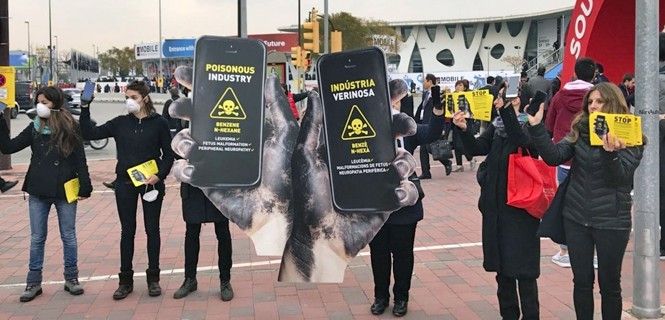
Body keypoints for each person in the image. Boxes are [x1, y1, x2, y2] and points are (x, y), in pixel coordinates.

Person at [528, 82, 643, 320]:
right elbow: (553, 156)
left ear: (613, 103)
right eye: (590, 102)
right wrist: (537, 126)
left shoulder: (630, 133)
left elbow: (621, 177)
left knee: (610, 284)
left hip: (612, 220)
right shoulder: (580, 129)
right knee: (581, 281)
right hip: (576, 216)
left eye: (600, 101)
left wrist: (609, 152)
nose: (594, 106)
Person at [79, 80, 174, 300]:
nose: (129, 101)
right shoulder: (120, 123)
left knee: (153, 230)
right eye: (127, 98)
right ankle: (125, 280)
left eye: (133, 97)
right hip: (125, 184)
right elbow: (89, 133)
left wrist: (159, 174)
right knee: (127, 231)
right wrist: (85, 107)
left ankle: (153, 279)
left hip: (151, 184)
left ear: (145, 98)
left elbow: (168, 155)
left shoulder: (159, 123)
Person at [452, 87, 541, 320]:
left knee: (525, 271)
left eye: (507, 95)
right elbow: (477, 149)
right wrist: (463, 129)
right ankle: (508, 315)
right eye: (500, 96)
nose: (501, 100)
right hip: (495, 208)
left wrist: (507, 112)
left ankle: (531, 316)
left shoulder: (532, 123)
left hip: (522, 208)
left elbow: (521, 139)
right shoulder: (498, 124)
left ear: (519, 98)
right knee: (502, 269)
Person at [0, 86, 92, 302]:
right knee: (37, 237)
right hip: (38, 189)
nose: (40, 106)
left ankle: (72, 278)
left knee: (68, 236)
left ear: (56, 104)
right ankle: (33, 282)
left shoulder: (71, 126)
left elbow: (80, 159)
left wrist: (85, 186)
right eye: (38, 101)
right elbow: (8, 147)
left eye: (45, 102)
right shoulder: (34, 127)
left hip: (65, 187)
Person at [369, 79, 444, 317]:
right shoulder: (367, 128)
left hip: (405, 203)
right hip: (376, 202)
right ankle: (381, 296)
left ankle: (401, 297)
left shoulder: (406, 128)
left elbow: (431, 131)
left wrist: (438, 112)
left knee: (402, 253)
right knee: (378, 253)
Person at [172, 122, 234, 301]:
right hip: (192, 183)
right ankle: (190, 279)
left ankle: (225, 280)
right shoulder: (184, 119)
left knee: (222, 232)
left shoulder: (221, 121)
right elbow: (174, 148)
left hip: (217, 183)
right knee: (192, 232)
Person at [545, 57, 596, 268]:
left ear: (574, 73)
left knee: (565, 204)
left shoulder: (560, 96)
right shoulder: (599, 97)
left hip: (564, 157)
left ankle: (564, 250)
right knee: (593, 204)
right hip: (592, 160)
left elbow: (549, 122)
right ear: (593, 74)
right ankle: (592, 252)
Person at [414, 74, 452, 178]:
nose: (423, 83)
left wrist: (443, 127)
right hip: (423, 123)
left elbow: (441, 110)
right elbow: (421, 108)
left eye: (424, 81)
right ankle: (426, 172)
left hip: (432, 123)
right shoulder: (425, 94)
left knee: (430, 148)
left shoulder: (439, 94)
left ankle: (446, 162)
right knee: (423, 148)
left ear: (430, 81)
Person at [450, 80, 477, 172]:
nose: (457, 87)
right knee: (456, 144)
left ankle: (471, 158)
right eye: (456, 85)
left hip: (466, 122)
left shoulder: (469, 96)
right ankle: (459, 165)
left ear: (465, 87)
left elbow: (471, 110)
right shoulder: (452, 96)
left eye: (460, 85)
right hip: (455, 122)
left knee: (461, 144)